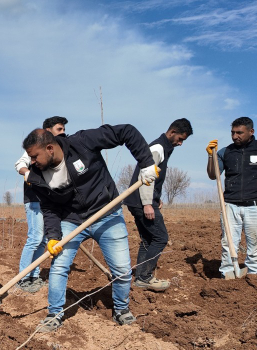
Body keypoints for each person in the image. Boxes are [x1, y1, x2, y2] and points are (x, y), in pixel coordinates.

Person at [22, 125, 158, 332]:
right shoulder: (38, 175)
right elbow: (49, 208)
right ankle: (54, 314)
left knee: (121, 270)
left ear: (50, 148)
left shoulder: (82, 142)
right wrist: (53, 237)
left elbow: (126, 132)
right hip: (71, 220)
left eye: (34, 156)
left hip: (107, 214)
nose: (31, 162)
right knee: (58, 267)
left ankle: (121, 309)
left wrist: (146, 163)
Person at [206, 116, 257, 278]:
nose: (235, 136)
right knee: (228, 243)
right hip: (230, 205)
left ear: (251, 132)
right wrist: (210, 156)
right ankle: (227, 273)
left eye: (239, 133)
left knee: (256, 243)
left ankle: (254, 275)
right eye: (233, 133)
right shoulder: (225, 152)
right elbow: (213, 175)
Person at [123, 118, 193, 291]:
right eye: (180, 139)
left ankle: (141, 277)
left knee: (148, 238)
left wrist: (155, 198)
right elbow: (146, 176)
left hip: (138, 200)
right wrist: (148, 203)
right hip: (141, 201)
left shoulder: (162, 147)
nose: (181, 143)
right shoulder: (158, 148)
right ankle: (145, 277)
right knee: (160, 238)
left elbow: (153, 178)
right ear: (172, 132)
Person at [14, 116, 68, 293]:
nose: (63, 132)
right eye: (59, 129)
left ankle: (34, 275)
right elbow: (20, 164)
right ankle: (23, 277)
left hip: (48, 202)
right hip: (35, 200)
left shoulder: (61, 148)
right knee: (35, 238)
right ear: (47, 132)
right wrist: (29, 174)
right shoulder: (37, 146)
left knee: (44, 239)